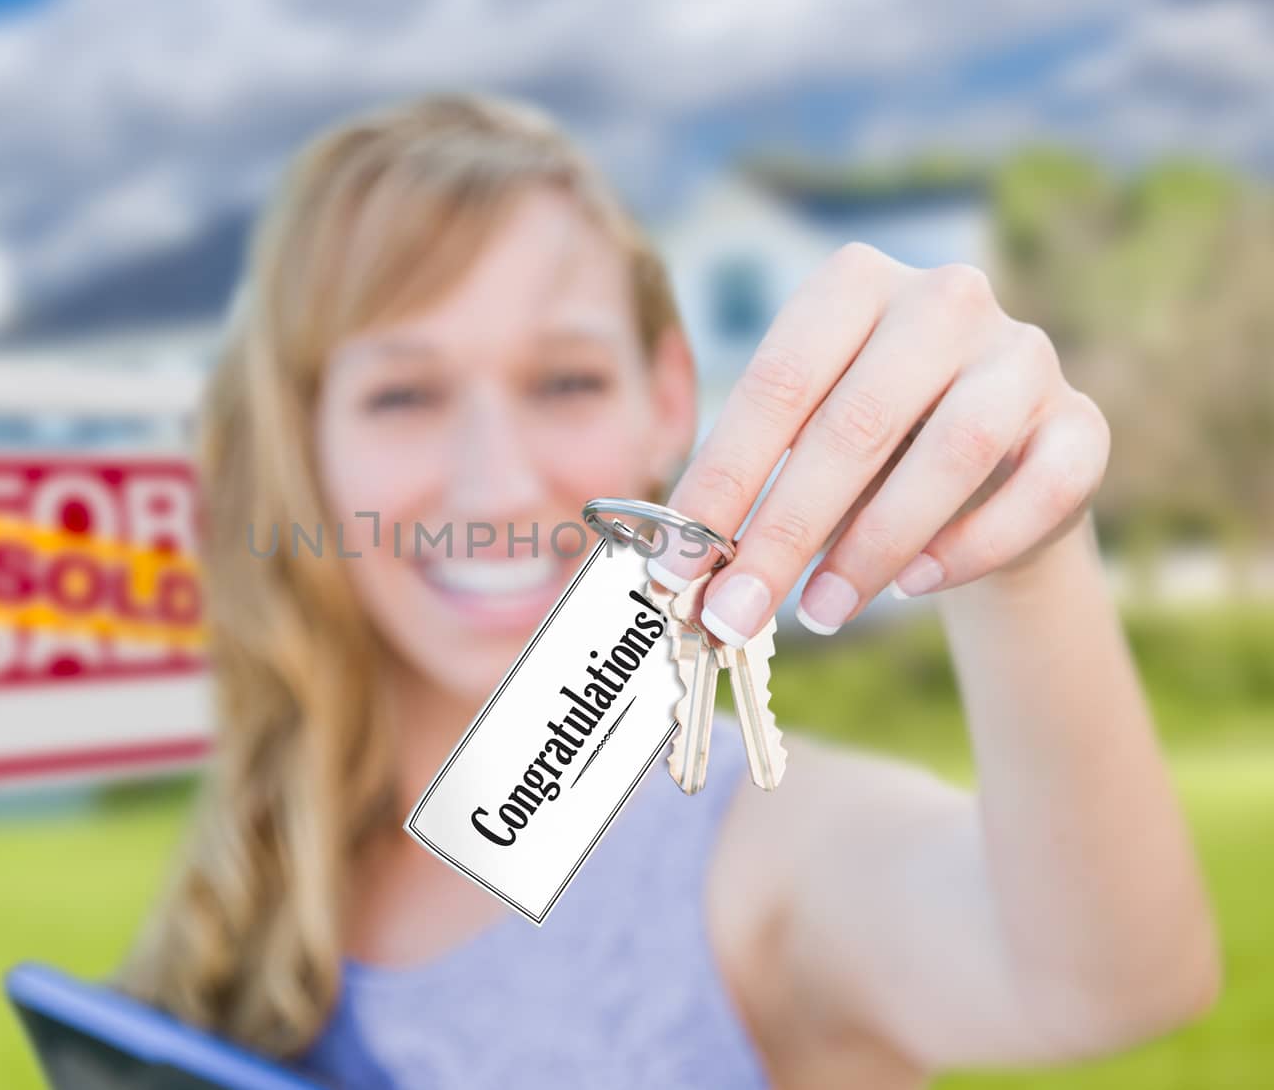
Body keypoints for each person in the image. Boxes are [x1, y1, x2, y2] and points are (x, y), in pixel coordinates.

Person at [118, 93, 1219, 1088]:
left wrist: (1011, 549)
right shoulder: (277, 829)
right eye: (403, 394)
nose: (496, 483)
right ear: (303, 442)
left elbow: (1103, 984)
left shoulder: (753, 856)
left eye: (565, 380)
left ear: (667, 401)